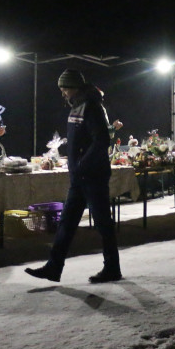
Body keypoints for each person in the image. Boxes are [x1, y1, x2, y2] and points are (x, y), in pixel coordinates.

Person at [26, 69, 122, 283]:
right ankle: (54, 267)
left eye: (65, 89)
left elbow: (101, 141)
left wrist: (82, 164)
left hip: (93, 175)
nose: (63, 94)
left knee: (102, 223)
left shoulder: (92, 107)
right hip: (80, 177)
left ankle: (112, 268)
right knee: (67, 223)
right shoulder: (78, 107)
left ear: (75, 88)